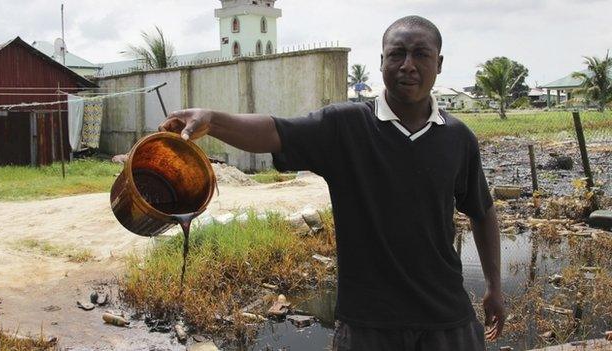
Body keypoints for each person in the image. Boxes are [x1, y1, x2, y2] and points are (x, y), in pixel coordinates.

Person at [160, 15, 505, 351]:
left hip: (446, 319)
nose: (408, 65)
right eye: (397, 54)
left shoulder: (458, 138)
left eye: (421, 54)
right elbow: (275, 131)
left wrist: (494, 285)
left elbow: (482, 210)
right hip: (368, 324)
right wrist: (213, 120)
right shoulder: (346, 126)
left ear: (439, 63)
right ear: (381, 61)